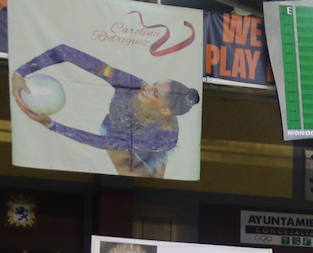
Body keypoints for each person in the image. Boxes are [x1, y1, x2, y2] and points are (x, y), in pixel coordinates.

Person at [11, 45, 200, 178]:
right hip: (116, 128)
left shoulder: (162, 137)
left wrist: (52, 125)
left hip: (148, 148)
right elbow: (66, 51)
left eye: (155, 92)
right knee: (123, 163)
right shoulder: (131, 84)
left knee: (139, 175)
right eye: (154, 83)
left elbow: (101, 142)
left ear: (165, 109)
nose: (147, 87)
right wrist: (21, 73)